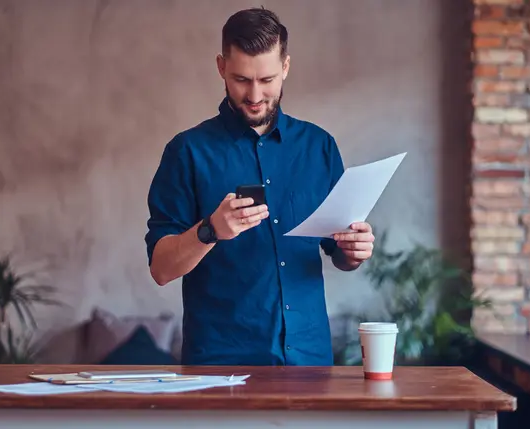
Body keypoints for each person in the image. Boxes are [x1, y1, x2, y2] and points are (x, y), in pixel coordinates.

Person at [145, 7, 375, 366]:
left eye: (267, 80)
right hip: (221, 367)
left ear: (285, 67)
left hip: (310, 364)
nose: (255, 95)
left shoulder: (320, 148)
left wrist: (354, 250)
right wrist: (210, 230)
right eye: (241, 79)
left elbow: (339, 252)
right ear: (221, 67)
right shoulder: (186, 152)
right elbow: (161, 269)